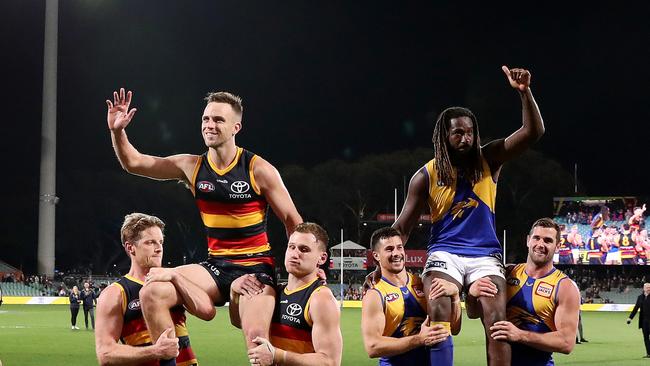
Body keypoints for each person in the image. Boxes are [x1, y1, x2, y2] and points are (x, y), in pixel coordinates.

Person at [106, 88, 302, 355]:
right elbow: (135, 163)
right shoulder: (192, 166)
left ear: (236, 127)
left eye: (218, 120)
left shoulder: (259, 169)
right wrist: (117, 131)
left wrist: (299, 273)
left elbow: (293, 221)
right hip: (215, 266)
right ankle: (170, 362)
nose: (210, 125)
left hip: (254, 266)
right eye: (206, 119)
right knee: (151, 293)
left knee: (258, 343)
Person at [372, 66, 544, 366]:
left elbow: (533, 133)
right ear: (444, 135)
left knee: (496, 318)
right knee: (438, 306)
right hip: (444, 253)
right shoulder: (425, 176)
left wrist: (524, 93)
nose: (466, 138)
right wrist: (379, 263)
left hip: (484, 255)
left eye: (470, 131)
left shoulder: (489, 158)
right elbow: (402, 228)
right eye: (458, 133)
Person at [361, 227, 494, 365]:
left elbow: (453, 329)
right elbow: (372, 346)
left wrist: (455, 296)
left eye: (399, 247)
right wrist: (419, 339)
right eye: (389, 249)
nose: (396, 253)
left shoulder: (422, 284)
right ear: (376, 255)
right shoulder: (375, 294)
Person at [95, 213, 204, 366]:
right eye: (150, 242)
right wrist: (156, 351)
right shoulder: (116, 293)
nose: (159, 248)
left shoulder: (173, 280)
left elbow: (207, 311)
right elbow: (105, 354)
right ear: (130, 247)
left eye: (161, 242)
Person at [468, 218, 580, 366]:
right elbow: (473, 313)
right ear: (528, 240)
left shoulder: (565, 287)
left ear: (557, 246)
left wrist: (520, 335)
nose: (540, 244)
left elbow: (566, 343)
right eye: (536, 238)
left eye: (547, 240)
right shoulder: (507, 273)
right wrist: (471, 295)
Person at [230, 222, 342, 366]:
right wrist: (234, 293)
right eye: (292, 247)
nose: (295, 254)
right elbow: (239, 322)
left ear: (322, 258)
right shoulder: (274, 292)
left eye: (304, 249)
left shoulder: (320, 298)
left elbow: (330, 362)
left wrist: (277, 355)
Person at [627, 283, 650, 358]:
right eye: (647, 287)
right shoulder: (640, 297)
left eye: (649, 287)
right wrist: (630, 318)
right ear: (644, 288)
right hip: (644, 321)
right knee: (646, 338)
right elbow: (636, 308)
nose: (648, 288)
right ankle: (648, 353)